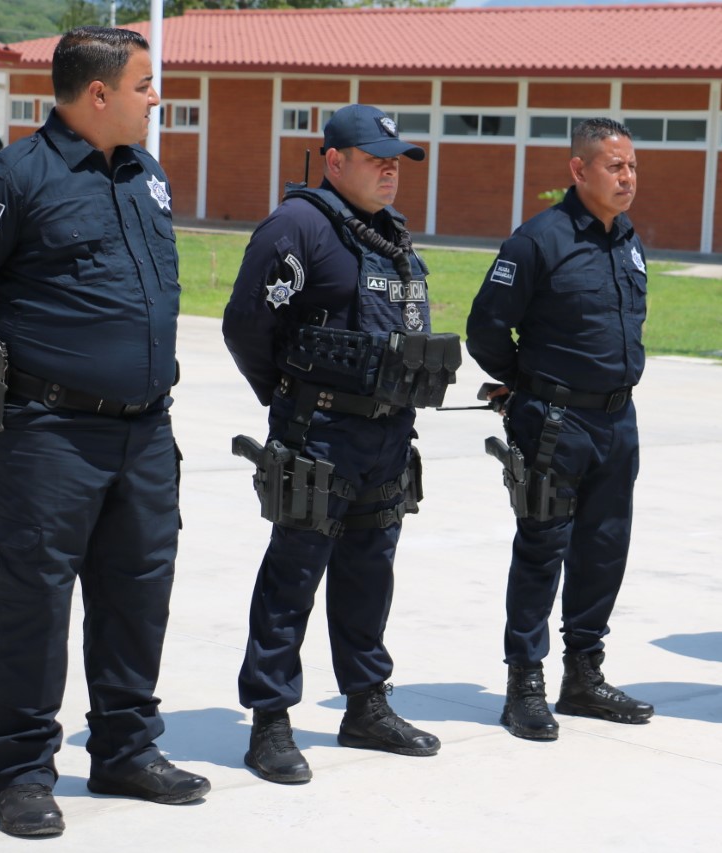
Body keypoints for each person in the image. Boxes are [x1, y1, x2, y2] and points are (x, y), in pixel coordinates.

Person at [0, 27, 210, 838]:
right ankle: (20, 769)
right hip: (45, 434)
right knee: (34, 600)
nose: (155, 97)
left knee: (138, 593)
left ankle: (127, 748)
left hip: (144, 433)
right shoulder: (9, 180)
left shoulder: (146, 174)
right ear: (97, 94)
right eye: (144, 84)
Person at [224, 104, 456, 784]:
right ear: (333, 160)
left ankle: (365, 704)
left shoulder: (390, 236)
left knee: (369, 571)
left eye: (398, 160)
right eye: (374, 157)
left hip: (386, 432)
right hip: (320, 432)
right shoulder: (299, 226)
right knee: (294, 574)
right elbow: (247, 325)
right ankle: (270, 718)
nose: (390, 169)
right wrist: (290, 398)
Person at [466, 117, 653, 742]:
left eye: (631, 166)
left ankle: (584, 676)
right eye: (614, 166)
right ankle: (525, 684)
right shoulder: (537, 241)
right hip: (555, 422)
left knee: (604, 549)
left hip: (617, 421)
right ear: (579, 170)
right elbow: (486, 327)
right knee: (543, 548)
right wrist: (526, 383)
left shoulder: (629, 240)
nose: (627, 177)